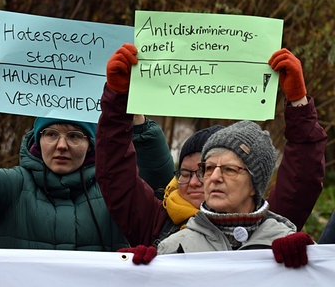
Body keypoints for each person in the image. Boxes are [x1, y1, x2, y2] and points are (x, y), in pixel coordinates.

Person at [96, 44, 327, 250]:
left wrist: (299, 103)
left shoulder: (271, 227)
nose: (204, 180)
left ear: (253, 185)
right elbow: (115, 173)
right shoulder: (157, 225)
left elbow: (301, 179)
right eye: (187, 173)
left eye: (228, 169)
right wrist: (117, 99)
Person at [0, 57, 174, 200]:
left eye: (75, 136)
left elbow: (159, 191)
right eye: (50, 134)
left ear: (91, 143)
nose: (61, 146)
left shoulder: (114, 194)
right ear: (36, 139)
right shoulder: (12, 188)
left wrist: (136, 116)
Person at [154, 120, 314, 268]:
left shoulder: (289, 248)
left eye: (229, 169)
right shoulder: (174, 248)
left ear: (254, 185)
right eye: (209, 168)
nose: (214, 178)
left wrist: (308, 260)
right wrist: (139, 271)